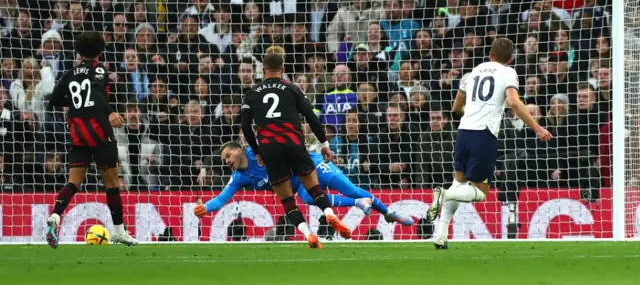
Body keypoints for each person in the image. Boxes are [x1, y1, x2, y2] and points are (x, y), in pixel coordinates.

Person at [427, 38, 552, 249]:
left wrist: (472, 112)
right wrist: (537, 128)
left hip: (464, 132)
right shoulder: (509, 73)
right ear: (510, 59)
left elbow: (456, 106)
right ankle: (443, 194)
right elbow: (513, 102)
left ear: (489, 55)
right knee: (480, 192)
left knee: (459, 184)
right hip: (484, 136)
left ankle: (440, 235)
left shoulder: (474, 71)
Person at [238, 52, 349, 249]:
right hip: (294, 144)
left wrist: (256, 151)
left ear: (263, 71)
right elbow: (312, 118)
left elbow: (246, 127)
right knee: (314, 188)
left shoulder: (252, 93)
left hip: (270, 148)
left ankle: (308, 235)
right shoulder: (293, 89)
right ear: (282, 70)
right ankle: (330, 214)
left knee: (287, 199)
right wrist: (324, 143)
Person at [44, 31, 138, 248]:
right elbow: (96, 94)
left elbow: (54, 101)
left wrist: (75, 103)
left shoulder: (70, 73)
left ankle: (56, 215)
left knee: (73, 182)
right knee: (112, 183)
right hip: (99, 133)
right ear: (100, 51)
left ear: (78, 51)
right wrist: (110, 112)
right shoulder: (99, 69)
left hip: (78, 135)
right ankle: (119, 232)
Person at [193, 142, 414, 226]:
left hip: (312, 166)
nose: (227, 162)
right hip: (298, 184)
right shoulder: (239, 178)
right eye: (224, 160)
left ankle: (388, 212)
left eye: (227, 156)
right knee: (308, 198)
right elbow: (222, 198)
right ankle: (358, 203)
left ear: (238, 149)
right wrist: (206, 208)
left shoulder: (258, 151)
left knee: (350, 188)